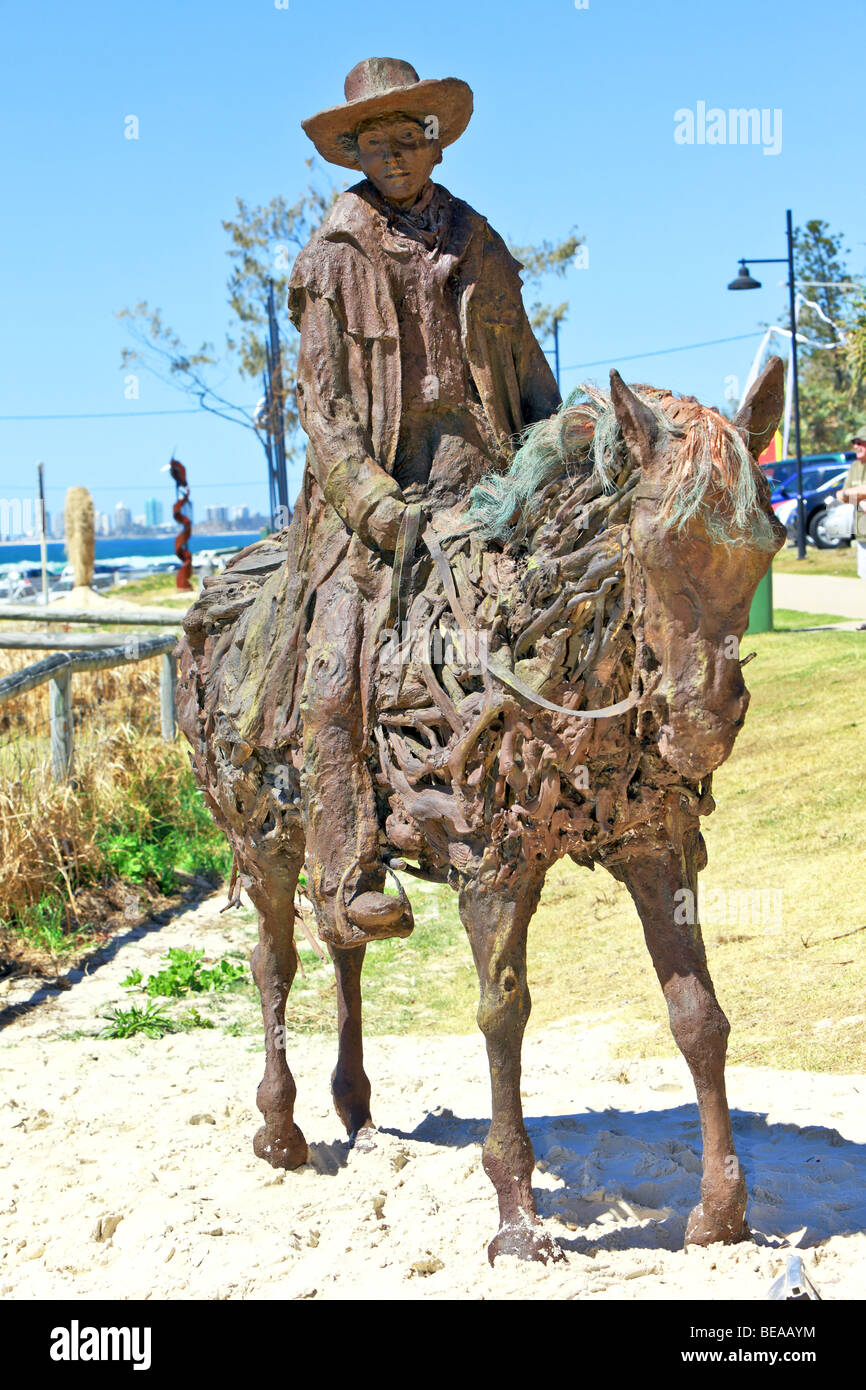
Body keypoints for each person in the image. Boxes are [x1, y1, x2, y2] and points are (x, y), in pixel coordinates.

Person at [285, 58, 561, 947]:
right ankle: (350, 865)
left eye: (409, 138)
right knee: (334, 670)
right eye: (376, 141)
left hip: (490, 487)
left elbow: (526, 368)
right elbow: (321, 410)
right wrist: (372, 504)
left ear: (433, 142)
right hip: (379, 511)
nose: (395, 155)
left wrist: (560, 450)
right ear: (353, 151)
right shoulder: (330, 261)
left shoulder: (478, 242)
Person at [838, 432, 866, 586]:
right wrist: (860, 501)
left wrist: (855, 494)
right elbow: (842, 495)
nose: (856, 446)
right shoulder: (855, 467)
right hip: (863, 534)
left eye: (860, 442)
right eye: (855, 443)